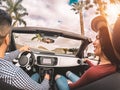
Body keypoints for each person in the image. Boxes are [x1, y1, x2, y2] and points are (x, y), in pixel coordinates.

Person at [55, 15, 120, 90]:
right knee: (68, 73)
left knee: (58, 76)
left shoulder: (92, 72)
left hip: (73, 87)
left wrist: (68, 82)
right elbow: (98, 70)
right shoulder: (114, 66)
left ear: (106, 43)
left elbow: (72, 87)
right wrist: (88, 61)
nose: (94, 43)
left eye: (98, 38)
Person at [0, 9, 50, 90]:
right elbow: (42, 89)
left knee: (36, 75)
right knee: (37, 75)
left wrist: (20, 50)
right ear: (7, 39)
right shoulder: (15, 74)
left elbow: (6, 57)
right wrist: (47, 79)